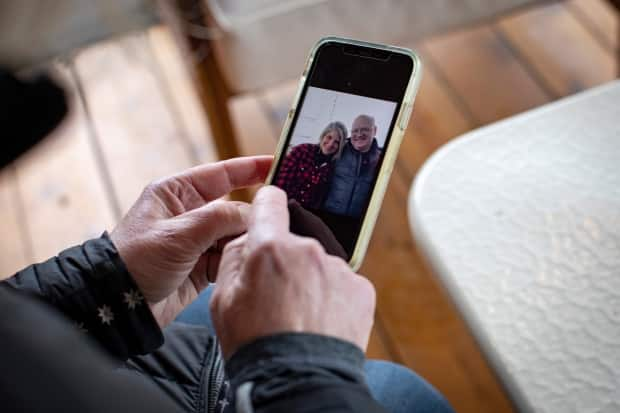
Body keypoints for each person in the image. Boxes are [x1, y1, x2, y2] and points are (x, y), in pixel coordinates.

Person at [0, 73, 455, 412]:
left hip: (121, 351)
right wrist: (299, 372)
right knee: (404, 394)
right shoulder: (305, 158)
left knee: (223, 285)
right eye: (341, 134)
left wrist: (109, 280)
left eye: (356, 135)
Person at [275, 121, 347, 209]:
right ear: (323, 136)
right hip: (283, 205)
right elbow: (280, 182)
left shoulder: (332, 167)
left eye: (336, 142)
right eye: (329, 137)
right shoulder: (302, 151)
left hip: (306, 215)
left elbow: (320, 199)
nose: (331, 144)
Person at [324, 114, 383, 217]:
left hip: (357, 224)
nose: (359, 134)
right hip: (327, 216)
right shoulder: (339, 149)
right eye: (355, 131)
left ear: (375, 130)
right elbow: (320, 150)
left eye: (364, 130)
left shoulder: (382, 159)